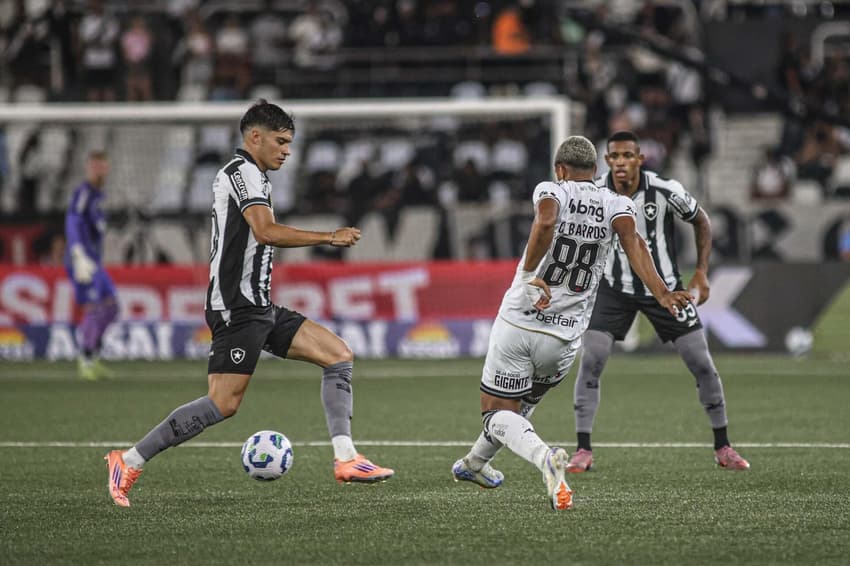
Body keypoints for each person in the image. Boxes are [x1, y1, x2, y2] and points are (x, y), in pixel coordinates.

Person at [104, 100, 394, 507]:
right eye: (280, 141)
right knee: (223, 403)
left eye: (290, 143)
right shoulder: (240, 173)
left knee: (338, 356)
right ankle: (127, 460)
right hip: (237, 307)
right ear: (254, 137)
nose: (287, 151)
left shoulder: (256, 176)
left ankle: (347, 459)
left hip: (258, 305)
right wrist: (330, 236)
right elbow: (266, 231)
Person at [451, 136, 692, 510]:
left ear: (560, 169)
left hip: (521, 321)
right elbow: (635, 244)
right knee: (518, 411)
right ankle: (474, 464)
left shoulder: (552, 189)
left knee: (496, 411)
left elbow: (546, 220)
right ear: (596, 172)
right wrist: (661, 293)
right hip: (563, 339)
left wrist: (530, 274)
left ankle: (545, 459)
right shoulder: (616, 203)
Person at [566, 130, 750, 473]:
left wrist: (701, 272)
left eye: (627, 156)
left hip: (665, 289)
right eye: (614, 157)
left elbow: (701, 220)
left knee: (702, 363)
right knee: (592, 358)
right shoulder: (594, 193)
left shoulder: (666, 189)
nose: (620, 163)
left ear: (640, 159)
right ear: (607, 161)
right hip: (612, 289)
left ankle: (723, 446)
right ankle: (583, 450)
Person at [64, 151, 118, 381]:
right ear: (88, 168)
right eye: (94, 166)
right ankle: (85, 359)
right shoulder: (84, 193)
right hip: (82, 261)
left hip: (94, 261)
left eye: (102, 166)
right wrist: (77, 252)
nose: (99, 170)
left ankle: (93, 356)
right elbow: (73, 221)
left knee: (112, 306)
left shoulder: (98, 196)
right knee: (94, 307)